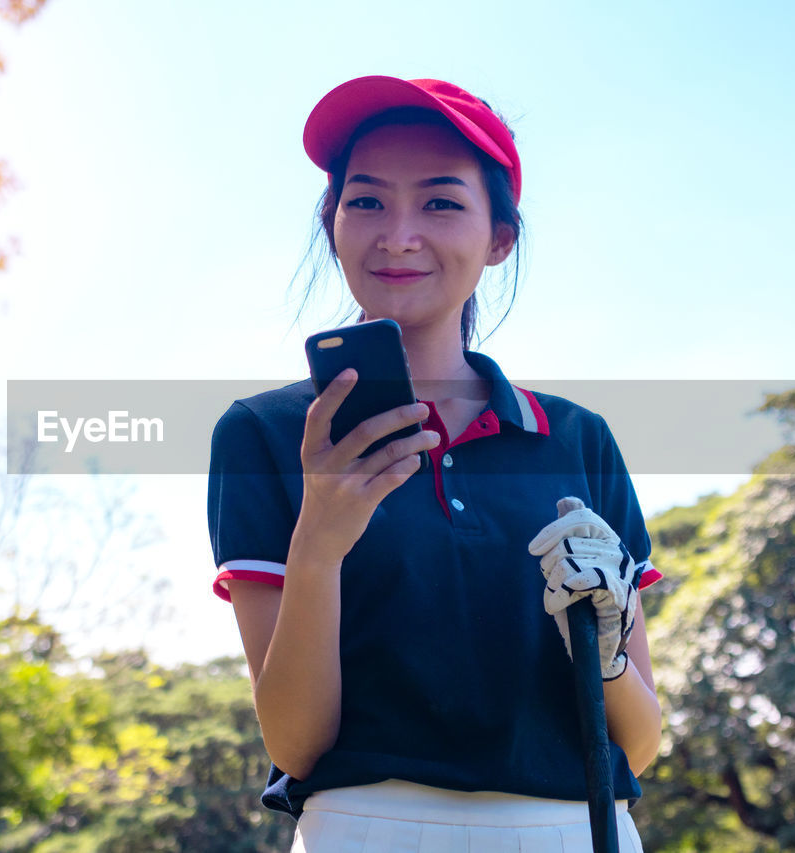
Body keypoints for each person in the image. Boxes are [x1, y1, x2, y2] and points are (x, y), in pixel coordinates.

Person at [206, 76, 665, 852]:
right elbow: (295, 744)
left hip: (578, 829)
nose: (399, 234)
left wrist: (606, 645)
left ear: (499, 239)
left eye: (442, 202)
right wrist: (319, 542)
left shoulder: (580, 438)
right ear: (332, 224)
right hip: (363, 828)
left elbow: (642, 742)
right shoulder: (264, 434)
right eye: (367, 201)